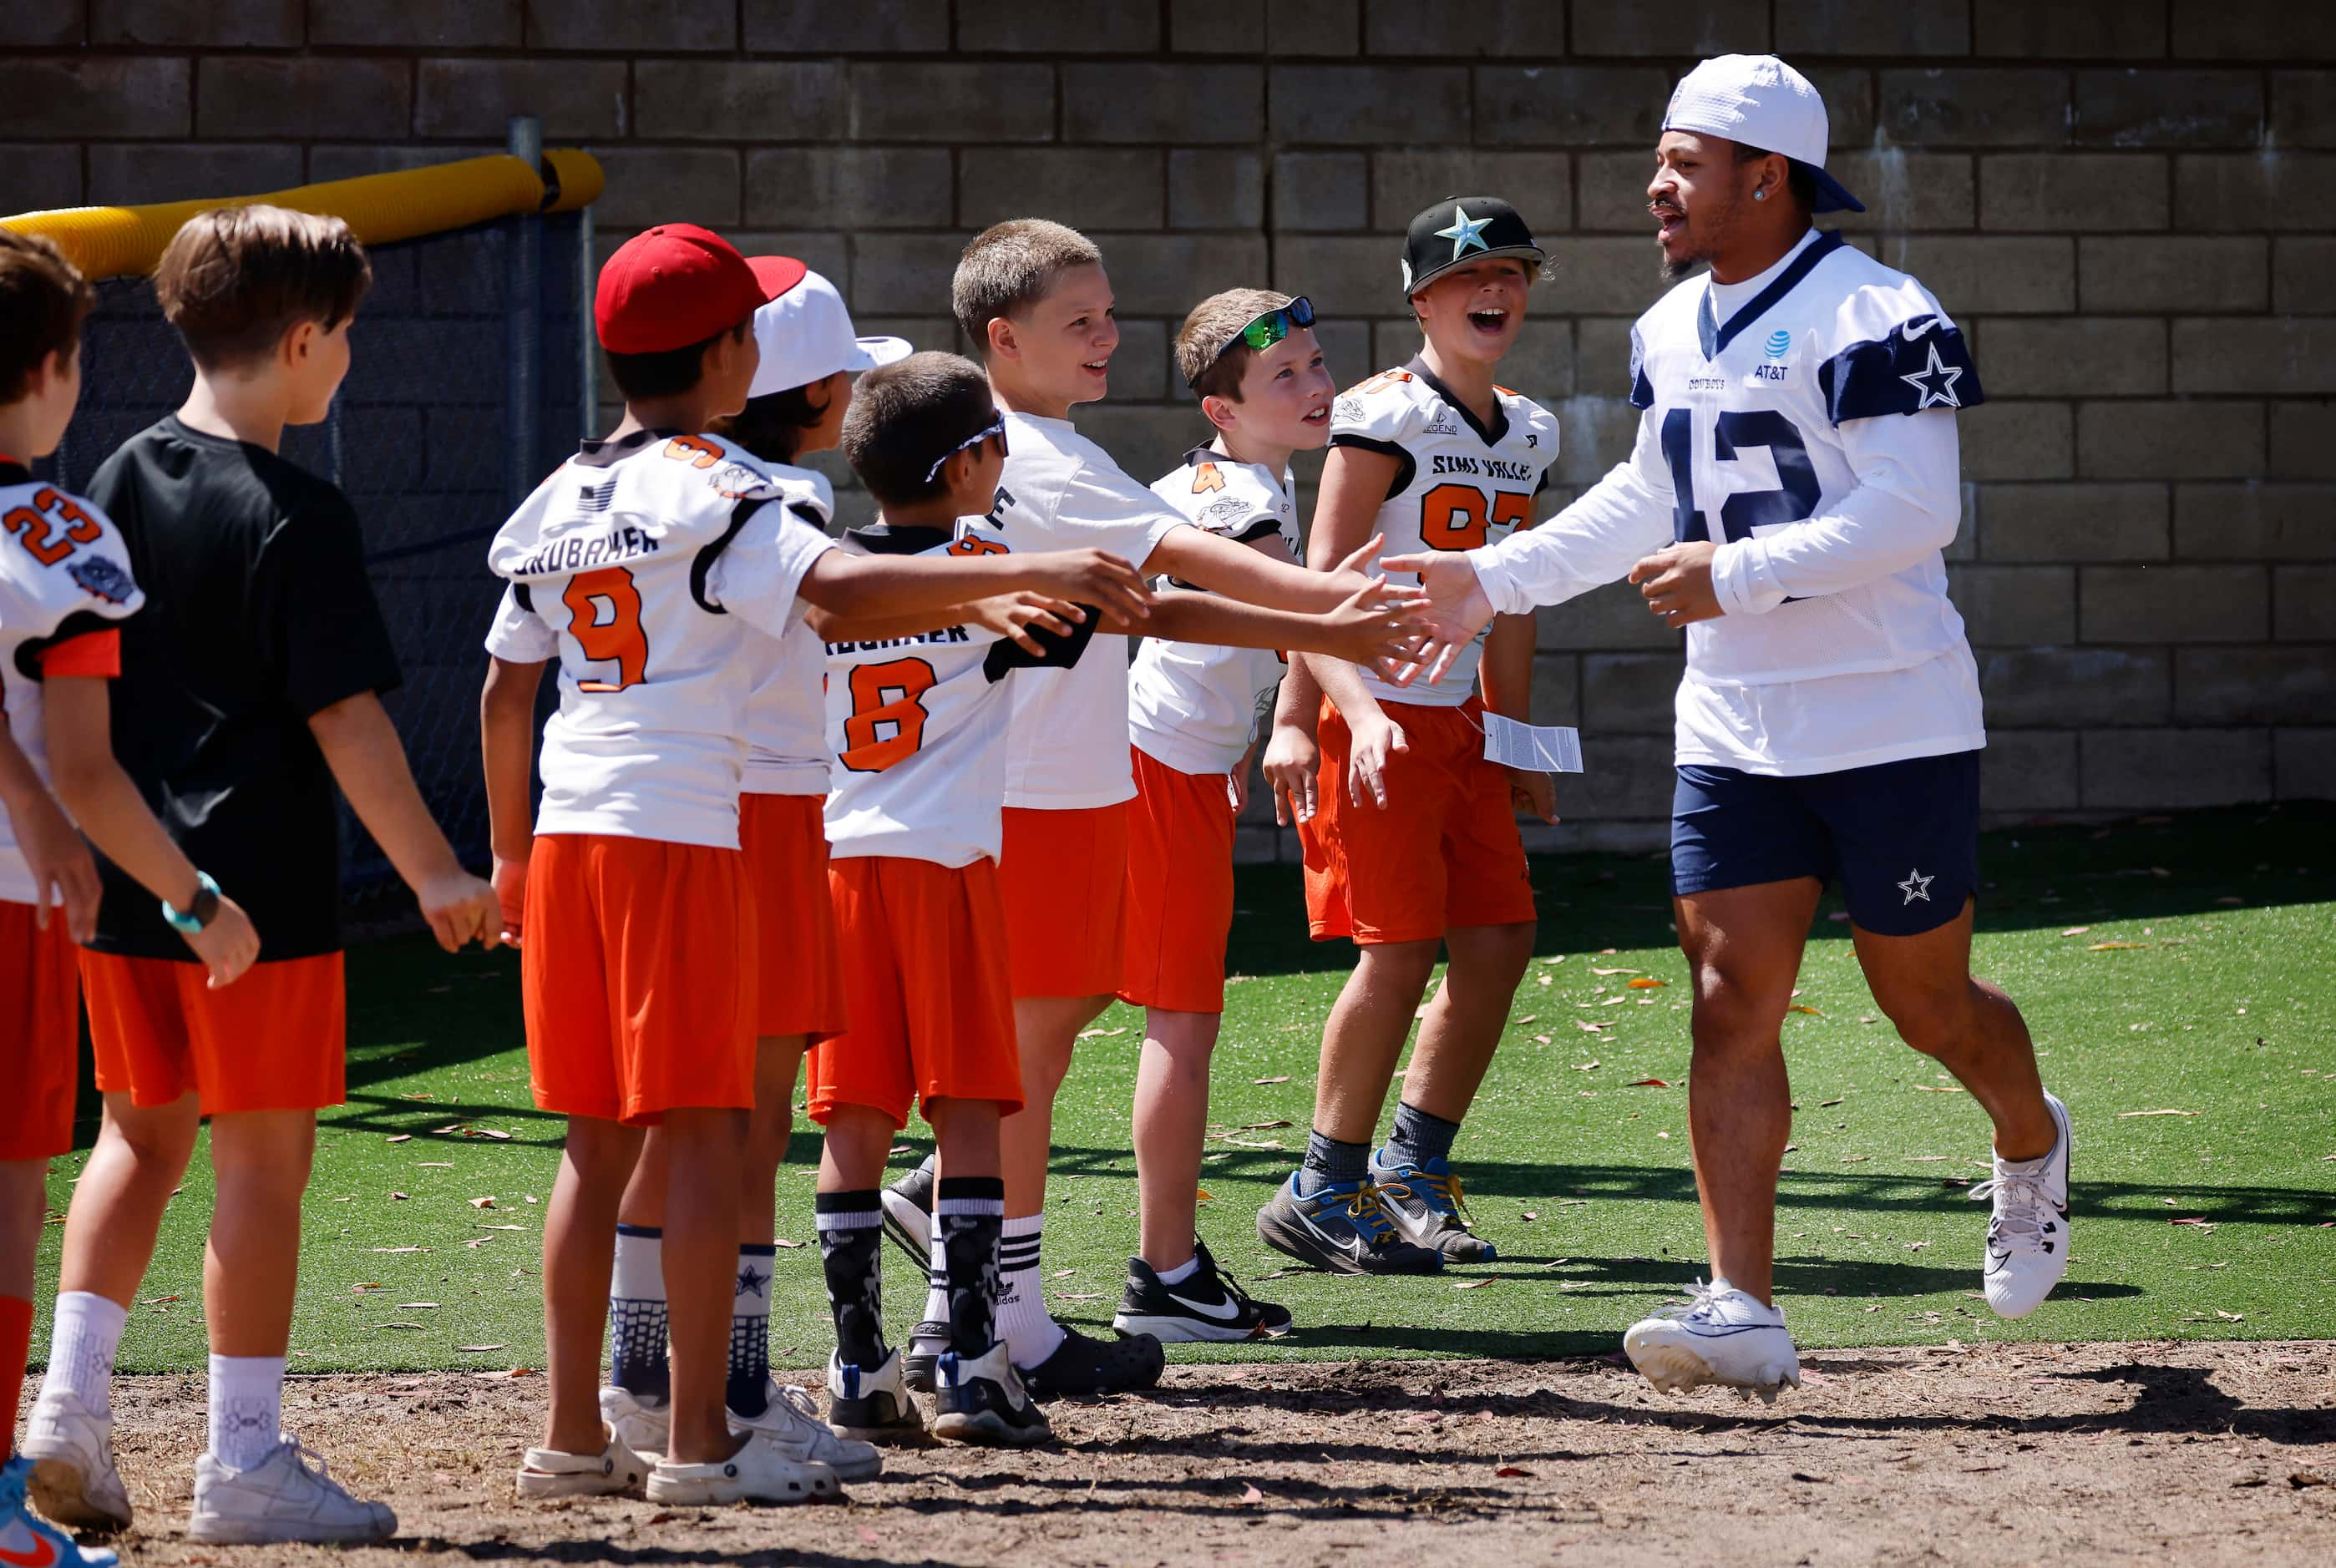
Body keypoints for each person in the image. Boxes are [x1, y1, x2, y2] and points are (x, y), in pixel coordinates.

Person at [1382, 54, 2070, 1399]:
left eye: (1683, 160)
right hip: (1735, 726)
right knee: (1724, 1001)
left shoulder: (1877, 307)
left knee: (1922, 1002)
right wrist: (1489, 581)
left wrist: (1737, 574)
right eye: (1661, 157)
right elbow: (1649, 496)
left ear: (1768, 175)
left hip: (1889, 716)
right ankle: (1741, 1302)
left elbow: (1913, 508)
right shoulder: (1667, 326)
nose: (1656, 184)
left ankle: (2030, 1140)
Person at [480, 224, 1156, 1505]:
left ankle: (576, 1432)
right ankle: (700, 1438)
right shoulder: (738, 494)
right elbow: (840, 595)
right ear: (734, 351)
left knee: (594, 1143)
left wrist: (510, 856)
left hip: (572, 828)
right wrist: (1041, 564)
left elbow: (509, 689)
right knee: (705, 1135)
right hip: (686, 827)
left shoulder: (554, 495)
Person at [19, 206, 501, 1546]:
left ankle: (67, 1408)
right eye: (343, 338)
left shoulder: (103, 480)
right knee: (264, 1164)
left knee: (135, 1131)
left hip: (132, 877)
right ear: (301, 340)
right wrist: (437, 874)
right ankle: (242, 1456)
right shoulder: (300, 513)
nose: (345, 361)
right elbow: (349, 722)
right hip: (262, 897)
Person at [882, 220, 1429, 1397]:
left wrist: (1314, 624)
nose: (1106, 336)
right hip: (1046, 786)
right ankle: (1003, 1307)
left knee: (1046, 1030)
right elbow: (1196, 562)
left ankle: (991, 1295)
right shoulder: (1041, 450)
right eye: (1079, 320)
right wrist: (1328, 611)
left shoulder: (1027, 446)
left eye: (1108, 312)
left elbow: (1151, 602)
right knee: (1043, 1048)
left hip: (1063, 780)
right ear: (1000, 336)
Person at [592, 259, 915, 1472]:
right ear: (815, 388)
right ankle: (717, 1388)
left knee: (677, 1117)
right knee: (739, 1116)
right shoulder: (775, 497)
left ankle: (643, 1371)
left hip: (665, 814)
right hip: (759, 813)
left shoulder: (650, 478)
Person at [0, 227, 265, 1568]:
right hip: (8, 910)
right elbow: (93, 775)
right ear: (49, 369)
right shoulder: (57, 531)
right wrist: (191, 896)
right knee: (5, 1196)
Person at [813, 351, 1126, 1449]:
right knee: (970, 1108)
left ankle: (857, 1366)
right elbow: (1101, 627)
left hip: (839, 864)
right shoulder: (985, 555)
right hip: (945, 865)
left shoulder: (830, 569)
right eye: (994, 442)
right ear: (964, 465)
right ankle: (972, 1363)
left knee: (852, 1117)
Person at [1254, 197, 1561, 1277]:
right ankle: (1320, 1186)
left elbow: (1513, 597)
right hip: (1371, 719)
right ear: (1421, 298)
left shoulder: (1529, 429)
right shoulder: (1382, 415)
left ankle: (1413, 1170)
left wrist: (1516, 740)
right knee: (1395, 951)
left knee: (1499, 939)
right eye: (1469, 277)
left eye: (1513, 271)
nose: (1494, 290)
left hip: (1464, 727)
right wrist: (1311, 715)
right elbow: (1317, 588)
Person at [1110, 288, 1335, 1343]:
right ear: (1221, 409)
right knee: (1181, 1025)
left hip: (1155, 764)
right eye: (1280, 376)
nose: (1312, 384)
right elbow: (1302, 618)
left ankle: (948, 1177)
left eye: (1314, 362)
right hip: (1160, 772)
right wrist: (1361, 716)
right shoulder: (1242, 501)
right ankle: (1164, 1276)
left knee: (1073, 999)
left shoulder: (1235, 480)